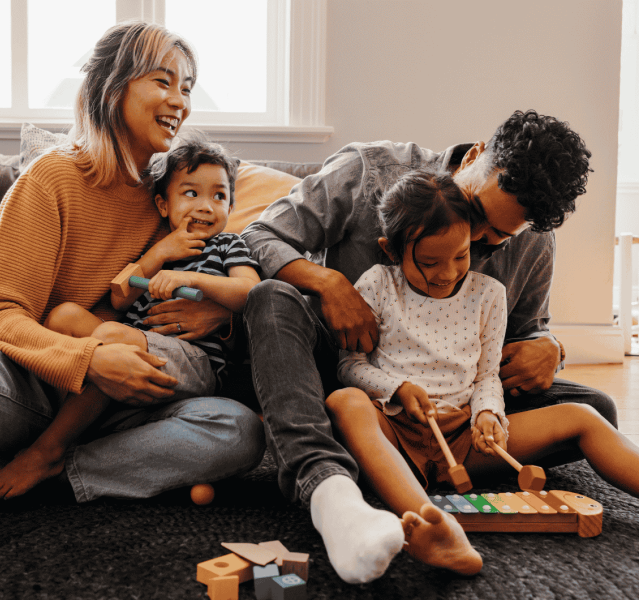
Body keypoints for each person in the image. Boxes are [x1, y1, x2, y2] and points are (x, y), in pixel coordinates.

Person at [0, 21, 266, 600]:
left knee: (238, 430)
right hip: (36, 388)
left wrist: (223, 315)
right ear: (113, 87)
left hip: (126, 409)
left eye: (188, 87)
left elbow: (235, 271)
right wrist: (88, 358)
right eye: (164, 81)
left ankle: (36, 469)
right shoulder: (52, 180)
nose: (180, 101)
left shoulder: (175, 198)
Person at [240, 110, 611, 584]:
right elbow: (258, 235)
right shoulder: (367, 171)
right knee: (271, 298)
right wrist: (329, 283)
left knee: (595, 408)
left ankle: (420, 464)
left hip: (454, 403)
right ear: (476, 156)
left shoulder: (534, 238)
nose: (473, 244)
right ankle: (327, 485)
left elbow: (524, 335)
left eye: (495, 240)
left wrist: (549, 347)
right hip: (340, 376)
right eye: (476, 214)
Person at [326, 167, 639, 577]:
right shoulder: (378, 284)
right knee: (344, 402)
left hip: (463, 438)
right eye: (428, 262)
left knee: (584, 415)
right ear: (391, 250)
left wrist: (488, 414)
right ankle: (431, 523)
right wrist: (399, 388)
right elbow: (351, 366)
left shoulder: (489, 295)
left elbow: (487, 376)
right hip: (395, 431)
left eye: (460, 256)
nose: (447, 273)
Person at [0, 137, 261, 500]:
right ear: (163, 203)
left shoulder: (228, 245)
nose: (205, 206)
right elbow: (119, 295)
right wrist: (158, 254)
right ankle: (63, 442)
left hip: (191, 361)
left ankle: (48, 452)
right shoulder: (157, 247)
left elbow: (250, 292)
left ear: (231, 206)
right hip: (131, 350)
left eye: (219, 196)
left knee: (113, 335)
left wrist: (192, 279)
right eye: (191, 194)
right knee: (65, 316)